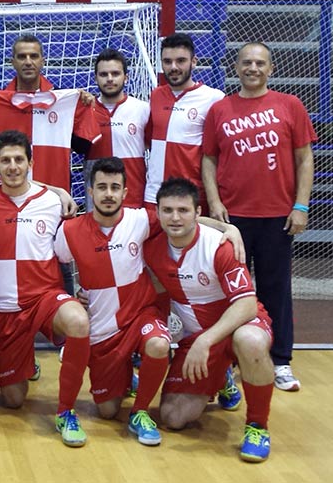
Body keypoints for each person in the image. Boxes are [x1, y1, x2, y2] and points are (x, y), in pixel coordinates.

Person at [201, 42, 317, 392]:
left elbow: (304, 159)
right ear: (236, 67)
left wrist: (301, 205)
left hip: (277, 216)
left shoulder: (290, 105)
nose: (253, 68)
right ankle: (227, 361)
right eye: (247, 62)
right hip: (232, 217)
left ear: (271, 68)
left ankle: (280, 360)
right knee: (228, 292)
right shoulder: (220, 109)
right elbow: (209, 159)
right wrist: (214, 202)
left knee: (275, 289)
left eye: (260, 63)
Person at [145, 177, 277, 463]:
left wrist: (206, 339)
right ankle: (222, 377)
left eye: (183, 210)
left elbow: (246, 304)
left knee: (250, 341)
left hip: (235, 327)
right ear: (157, 213)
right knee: (172, 418)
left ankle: (257, 426)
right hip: (198, 339)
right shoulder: (153, 248)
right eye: (167, 210)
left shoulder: (220, 246)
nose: (175, 217)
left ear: (197, 212)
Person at [0, 130, 91, 446]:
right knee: (14, 400)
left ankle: (66, 411)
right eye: (5, 161)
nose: (12, 166)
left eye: (18, 159)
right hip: (5, 309)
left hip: (44, 297)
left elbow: (79, 243)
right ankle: (25, 361)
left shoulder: (53, 201)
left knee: (79, 321)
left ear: (30, 162)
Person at [54, 157, 171, 447]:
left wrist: (227, 230)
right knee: (107, 410)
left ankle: (141, 411)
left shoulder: (141, 219)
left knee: (159, 345)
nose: (108, 194)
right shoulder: (69, 231)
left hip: (140, 315)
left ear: (125, 191)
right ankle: (123, 378)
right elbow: (54, 269)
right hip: (103, 328)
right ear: (90, 192)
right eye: (102, 187)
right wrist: (70, 300)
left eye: (115, 187)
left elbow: (185, 220)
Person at [0, 34, 101, 192]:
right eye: (22, 57)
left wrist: (85, 107)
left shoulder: (65, 101)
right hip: (8, 197)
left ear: (42, 61)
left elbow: (84, 146)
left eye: (33, 56)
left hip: (55, 197)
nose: (28, 62)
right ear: (13, 62)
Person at [144, 33, 224, 210]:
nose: (173, 67)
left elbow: (219, 152)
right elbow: (150, 142)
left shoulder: (214, 98)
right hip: (154, 194)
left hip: (192, 195)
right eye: (167, 61)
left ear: (194, 61)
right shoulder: (156, 95)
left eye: (180, 60)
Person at [84, 49, 149, 209]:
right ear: (96, 78)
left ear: (126, 77)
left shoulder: (143, 109)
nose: (110, 79)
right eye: (104, 74)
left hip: (133, 201)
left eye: (115, 73)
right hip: (97, 204)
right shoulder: (84, 111)